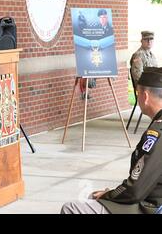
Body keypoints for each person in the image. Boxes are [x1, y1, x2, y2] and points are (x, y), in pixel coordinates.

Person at [61, 67, 162, 214]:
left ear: (145, 96)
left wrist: (108, 195)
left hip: (151, 206)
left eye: (137, 93)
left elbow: (136, 190)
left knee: (71, 209)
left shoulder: (157, 134)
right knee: (94, 199)